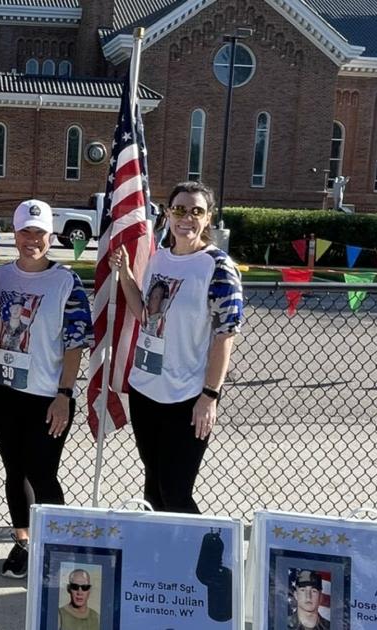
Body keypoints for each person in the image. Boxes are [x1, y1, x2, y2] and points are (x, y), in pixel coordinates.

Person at [111, 181, 243, 513]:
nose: (187, 218)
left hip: (187, 397)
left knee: (175, 491)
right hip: (146, 389)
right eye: (179, 209)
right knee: (154, 486)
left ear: (208, 217)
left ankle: (209, 562)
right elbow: (146, 315)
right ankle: (161, 557)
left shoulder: (217, 267)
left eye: (196, 211)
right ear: (168, 213)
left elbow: (225, 335)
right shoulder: (159, 259)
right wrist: (126, 275)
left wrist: (209, 396)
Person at [0, 199, 92, 579]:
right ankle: (24, 542)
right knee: (14, 471)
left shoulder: (66, 282)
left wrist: (64, 394)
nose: (32, 239)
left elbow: (76, 342)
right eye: (25, 231)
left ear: (51, 236)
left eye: (40, 233)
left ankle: (57, 545)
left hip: (47, 396)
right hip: (2, 393)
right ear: (15, 234)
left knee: (42, 473)